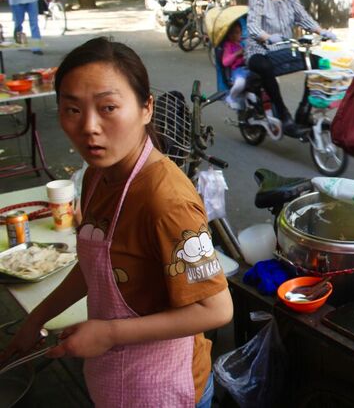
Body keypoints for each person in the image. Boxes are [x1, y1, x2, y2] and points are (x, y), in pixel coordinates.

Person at [0, 38, 233, 407]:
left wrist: (109, 333)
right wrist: (38, 318)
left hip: (165, 384)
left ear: (145, 109)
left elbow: (216, 309)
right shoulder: (97, 174)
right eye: (72, 110)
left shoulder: (165, 199)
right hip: (113, 372)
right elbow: (97, 267)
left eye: (108, 107)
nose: (89, 127)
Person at [246, 0, 335, 133]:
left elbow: (302, 17)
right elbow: (252, 25)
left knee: (318, 63)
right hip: (259, 50)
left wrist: (321, 31)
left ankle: (304, 111)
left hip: (284, 49)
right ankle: (283, 115)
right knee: (263, 66)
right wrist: (267, 37)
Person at [222, 21, 248, 110]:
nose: (234, 35)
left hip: (246, 69)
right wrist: (236, 54)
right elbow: (225, 62)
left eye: (237, 33)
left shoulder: (242, 44)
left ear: (241, 33)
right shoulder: (228, 45)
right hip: (237, 71)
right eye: (231, 33)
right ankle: (230, 97)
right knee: (240, 83)